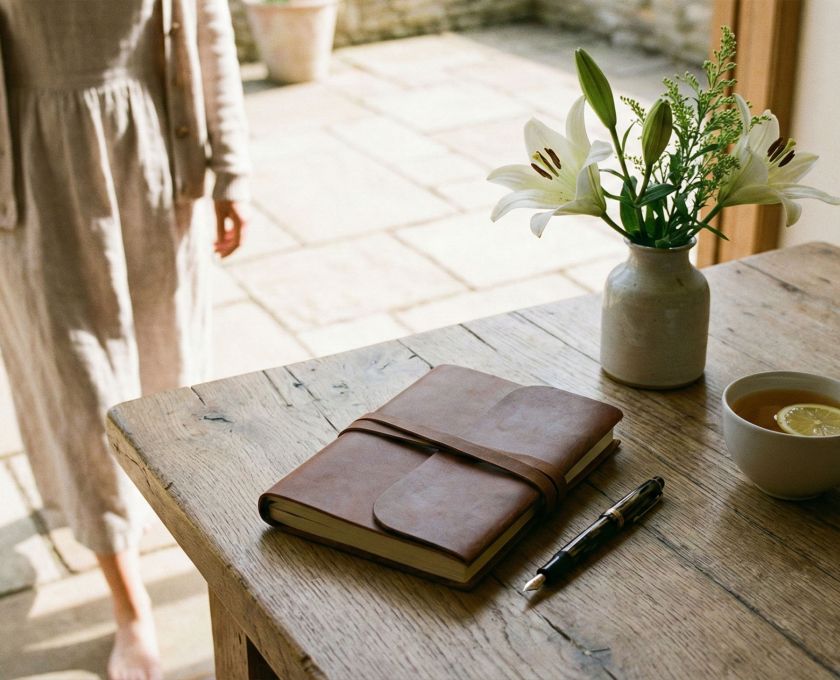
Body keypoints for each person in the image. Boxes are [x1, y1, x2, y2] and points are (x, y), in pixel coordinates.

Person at [0, 0, 250, 677]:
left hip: (155, 157)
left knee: (170, 382)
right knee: (79, 389)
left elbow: (208, 26)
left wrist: (230, 169)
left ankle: (165, 519)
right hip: (33, 168)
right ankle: (129, 602)